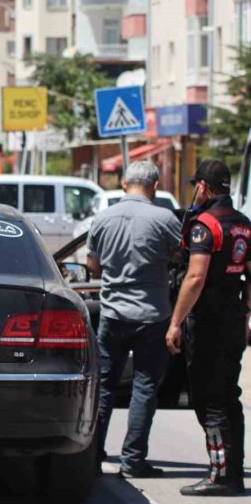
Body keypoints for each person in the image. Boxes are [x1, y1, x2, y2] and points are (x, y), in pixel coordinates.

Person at [86, 161, 181, 478]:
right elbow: (181, 257)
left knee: (104, 387)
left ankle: (92, 456)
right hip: (153, 316)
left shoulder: (103, 218)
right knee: (144, 387)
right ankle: (133, 460)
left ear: (124, 184)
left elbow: (93, 265)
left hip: (112, 314)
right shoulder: (165, 219)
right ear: (155, 186)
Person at [166, 159, 249, 496]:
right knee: (229, 396)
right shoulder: (243, 223)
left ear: (203, 186)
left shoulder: (205, 225)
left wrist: (175, 322)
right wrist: (246, 316)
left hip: (208, 323)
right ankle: (233, 471)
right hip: (233, 320)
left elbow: (195, 277)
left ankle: (220, 475)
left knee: (209, 400)